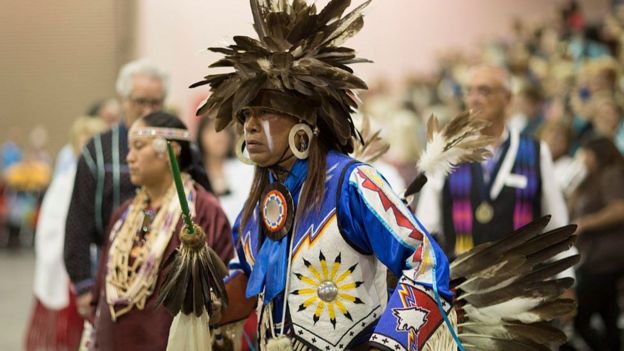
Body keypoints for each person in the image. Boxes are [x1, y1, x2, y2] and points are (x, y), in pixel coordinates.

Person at [192, 2, 455, 350]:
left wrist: (389, 343)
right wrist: (199, 295)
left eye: (265, 112)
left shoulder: (353, 184)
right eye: (245, 115)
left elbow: (425, 259)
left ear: (305, 125)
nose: (249, 126)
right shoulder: (262, 200)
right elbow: (245, 279)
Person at [88, 112, 233, 350]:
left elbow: (223, 290)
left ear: (171, 150)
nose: (129, 157)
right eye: (129, 148)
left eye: (138, 147)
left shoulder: (202, 212)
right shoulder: (125, 214)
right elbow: (100, 292)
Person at [417, 65, 571, 258]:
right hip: (462, 281)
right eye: (469, 91)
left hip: (521, 281)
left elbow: (557, 224)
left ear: (508, 99)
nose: (474, 99)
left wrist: (566, 277)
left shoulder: (536, 151)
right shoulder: (446, 153)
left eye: (484, 91)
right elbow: (427, 224)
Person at [64, 59, 170, 318]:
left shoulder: (179, 149)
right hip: (111, 279)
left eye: (155, 103)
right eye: (139, 101)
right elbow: (78, 222)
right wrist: (83, 285)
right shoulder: (97, 152)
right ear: (123, 100)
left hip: (168, 286)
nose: (147, 109)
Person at [24, 116, 106, 351]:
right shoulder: (63, 183)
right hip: (73, 275)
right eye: (83, 143)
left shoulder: (106, 182)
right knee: (72, 335)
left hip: (103, 271)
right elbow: (51, 228)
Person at [570, 137, 624, 351]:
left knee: (579, 316)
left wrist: (585, 223)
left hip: (605, 260)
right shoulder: (591, 178)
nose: (583, 159)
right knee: (609, 317)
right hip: (595, 259)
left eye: (587, 154)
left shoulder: (611, 174)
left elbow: (619, 209)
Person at [196, 117, 254, 223]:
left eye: (223, 130)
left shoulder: (244, 170)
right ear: (201, 135)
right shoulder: (194, 174)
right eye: (211, 130)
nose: (219, 136)